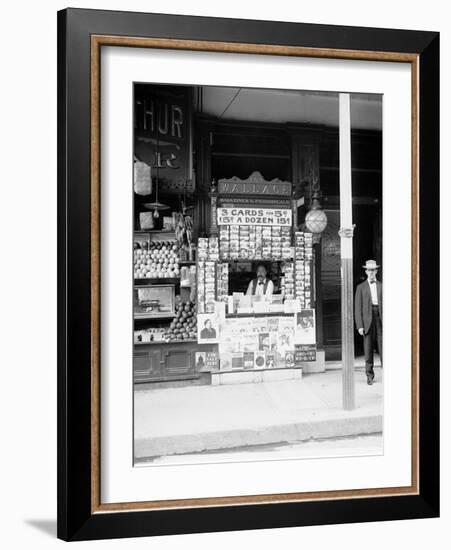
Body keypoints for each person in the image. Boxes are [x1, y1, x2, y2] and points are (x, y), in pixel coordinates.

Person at [355, 259, 382, 385]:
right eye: (369, 270)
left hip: (380, 318)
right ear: (366, 271)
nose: (371, 272)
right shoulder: (360, 287)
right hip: (367, 319)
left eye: (373, 270)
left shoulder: (382, 286)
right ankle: (369, 375)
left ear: (376, 271)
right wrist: (360, 326)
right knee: (368, 348)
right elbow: (357, 308)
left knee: (384, 347)